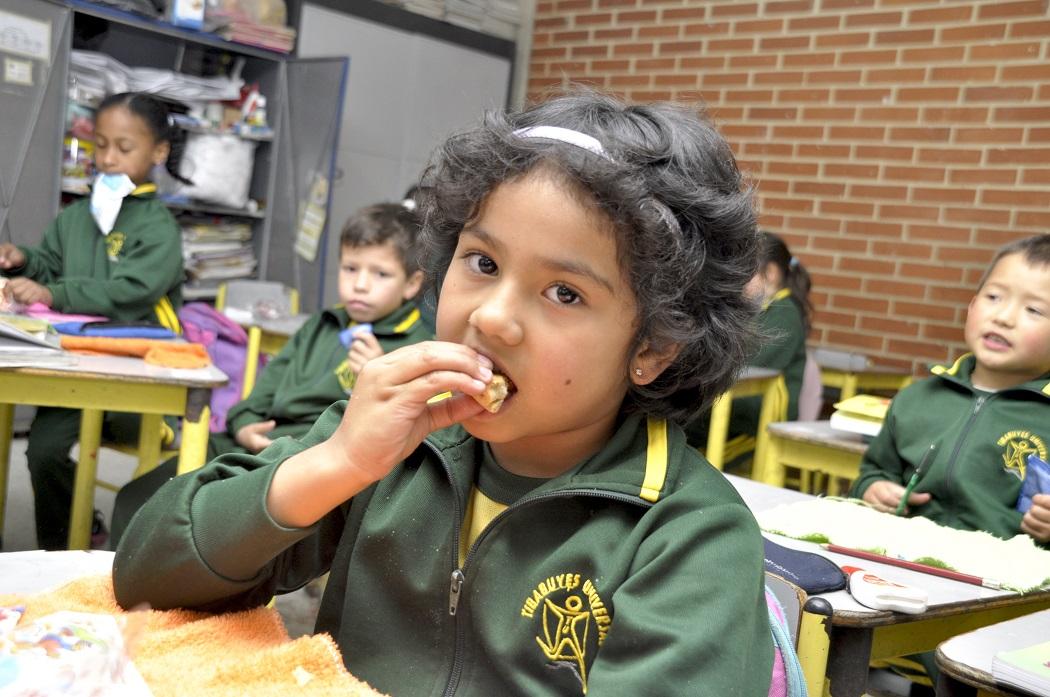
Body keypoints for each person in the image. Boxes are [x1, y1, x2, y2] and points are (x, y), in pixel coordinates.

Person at [113, 92, 774, 696]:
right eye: (482, 262)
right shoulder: (391, 439)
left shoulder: (689, 536)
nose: (490, 317)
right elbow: (145, 575)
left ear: (654, 347)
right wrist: (334, 464)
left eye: (564, 293)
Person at [109, 201, 432, 547]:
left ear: (412, 284)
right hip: (253, 443)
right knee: (140, 497)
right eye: (351, 268)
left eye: (380, 274)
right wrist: (245, 425)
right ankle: (121, 592)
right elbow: (263, 392)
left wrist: (377, 378)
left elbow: (399, 433)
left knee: (212, 523)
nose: (361, 285)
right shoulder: (322, 324)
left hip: (306, 456)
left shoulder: (416, 345)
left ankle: (174, 593)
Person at [850, 234, 1050, 692]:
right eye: (995, 297)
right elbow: (871, 474)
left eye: (1034, 310)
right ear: (972, 304)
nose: (1004, 315)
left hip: (1000, 602)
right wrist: (874, 489)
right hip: (901, 579)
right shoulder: (919, 398)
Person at [0, 92, 188, 550]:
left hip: (137, 376)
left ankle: (130, 543)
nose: (107, 158)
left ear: (158, 152)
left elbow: (131, 292)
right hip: (74, 366)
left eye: (124, 148)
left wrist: (52, 292)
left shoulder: (159, 226)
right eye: (99, 145)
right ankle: (61, 549)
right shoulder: (77, 214)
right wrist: (22, 260)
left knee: (137, 465)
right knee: (42, 451)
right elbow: (49, 262)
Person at [685, 230, 812, 453]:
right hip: (741, 405)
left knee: (684, 420)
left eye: (745, 273)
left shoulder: (785, 312)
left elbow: (746, 362)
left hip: (761, 413)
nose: (737, 281)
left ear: (770, 273)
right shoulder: (763, 309)